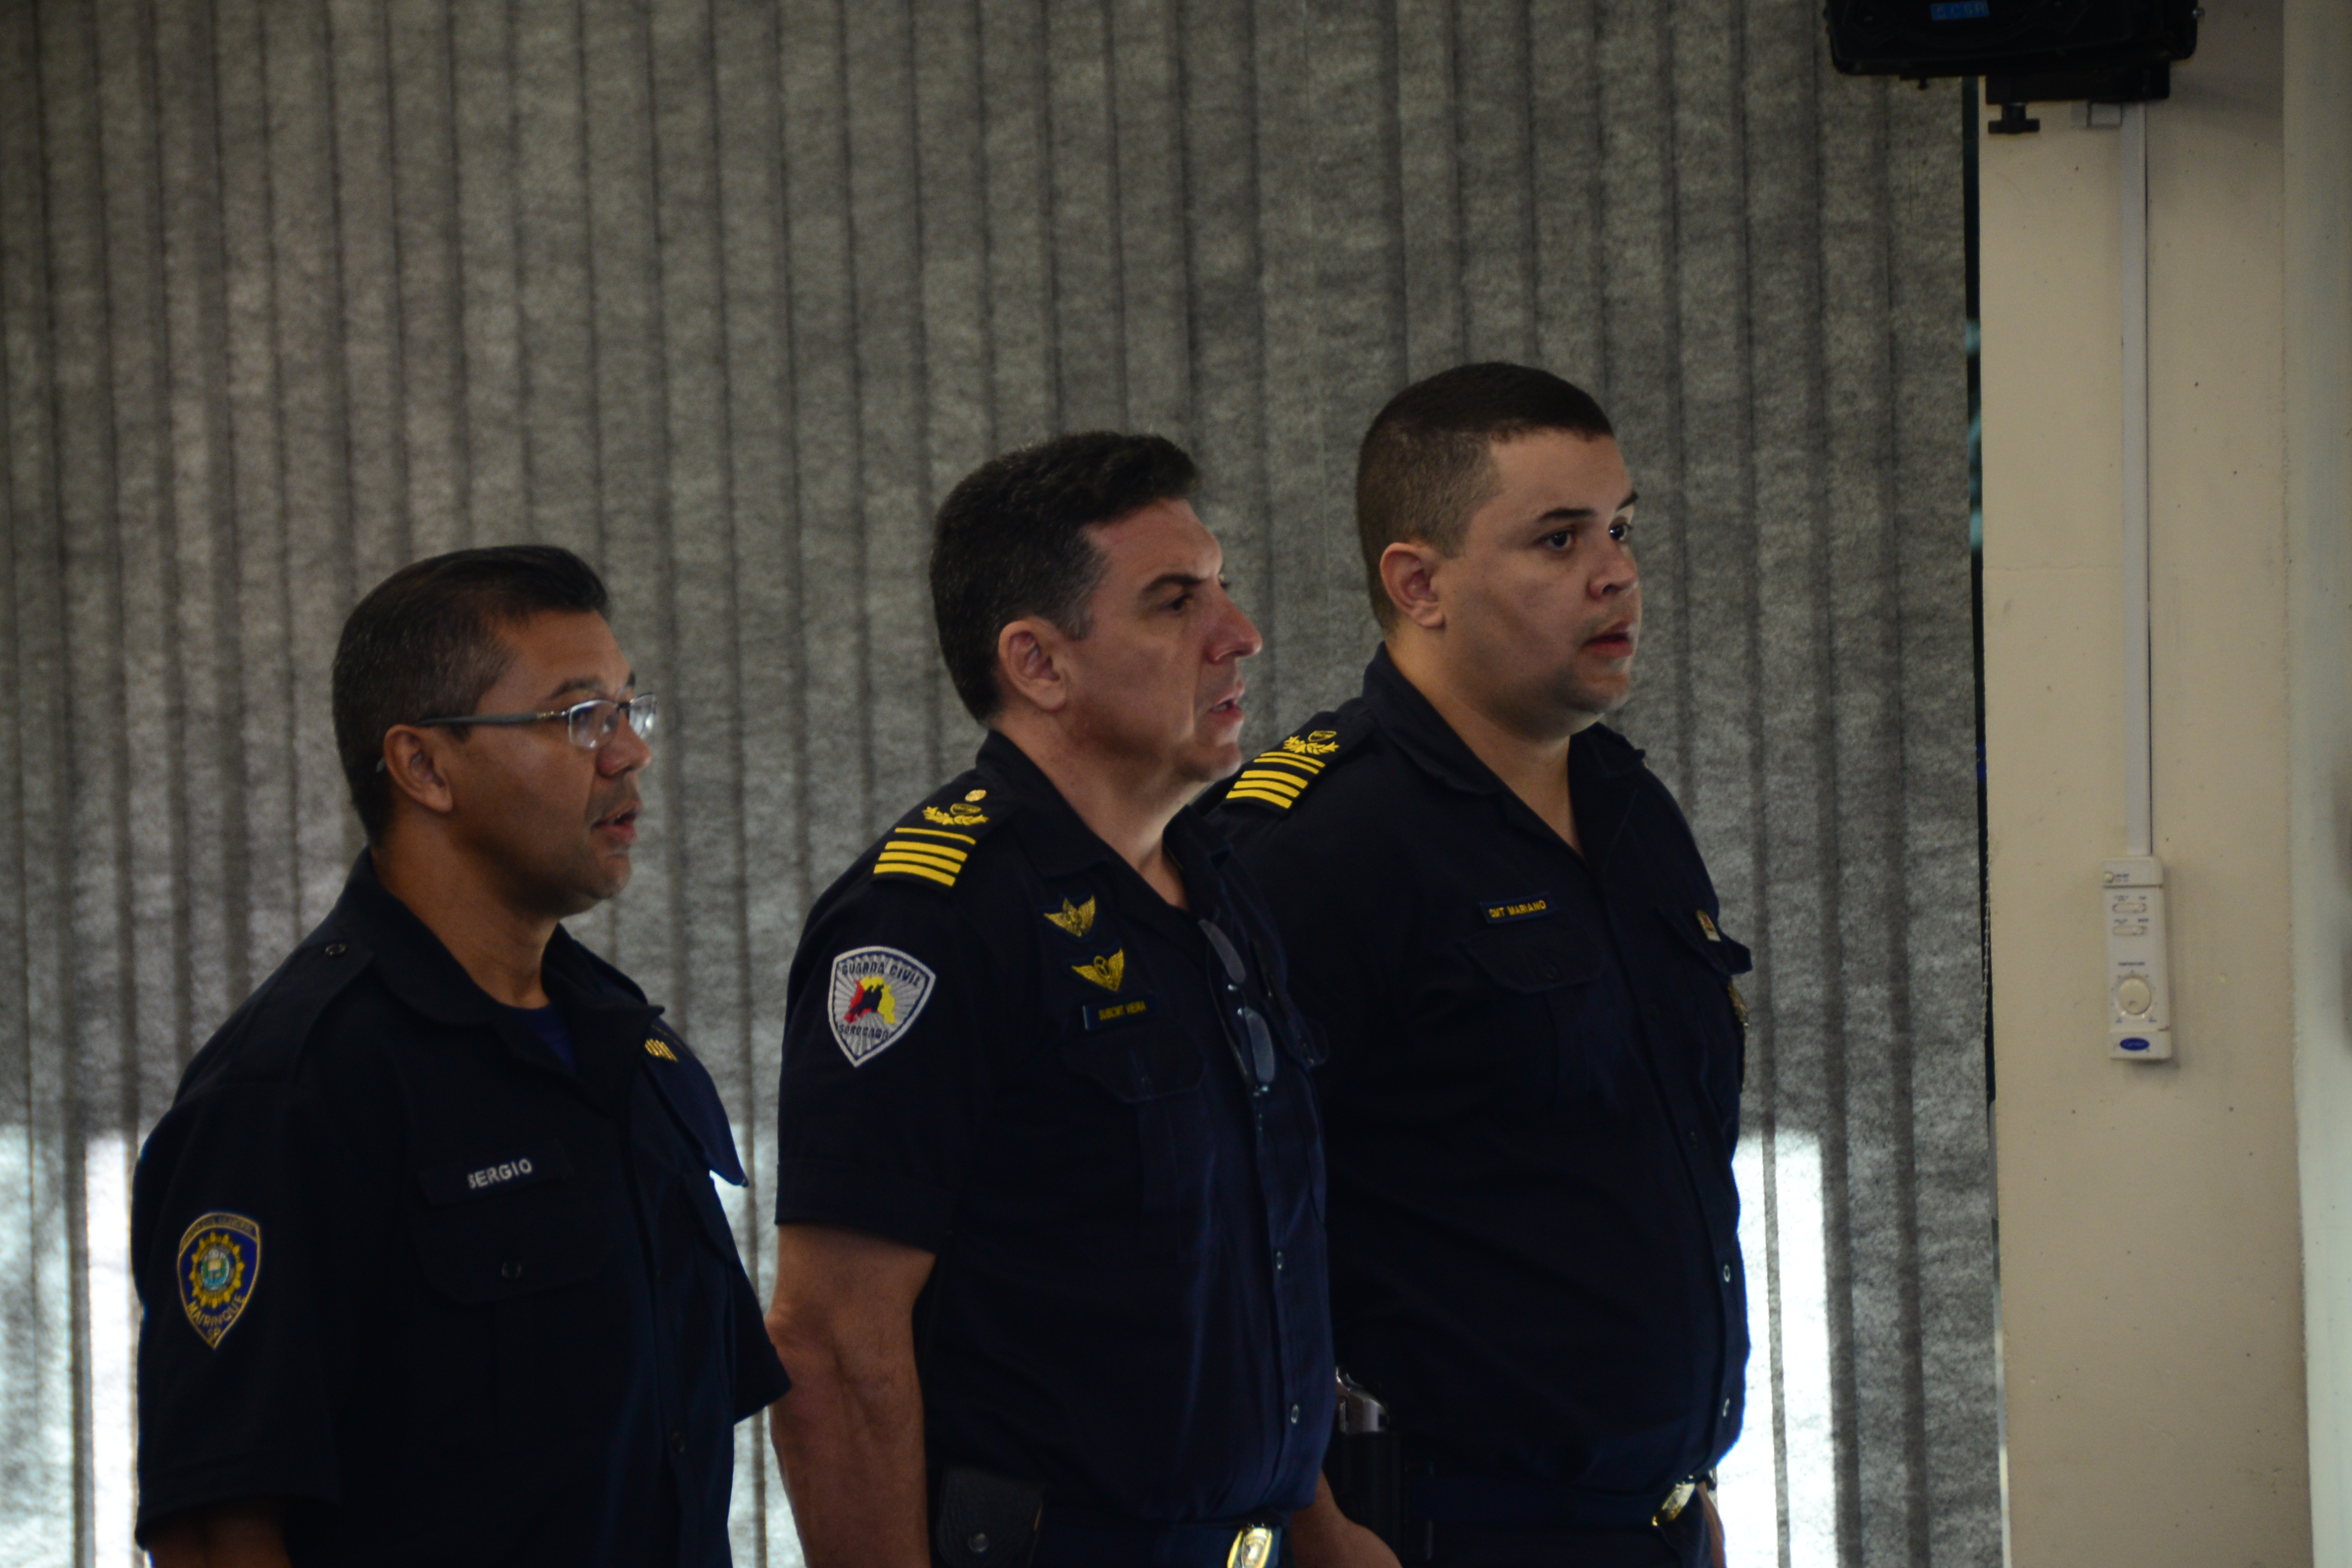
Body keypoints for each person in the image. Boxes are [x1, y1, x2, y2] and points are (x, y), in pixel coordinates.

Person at [764, 433, 1373, 1568]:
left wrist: (1323, 1531)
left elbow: (1249, 1275)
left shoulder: (1216, 883)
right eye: (1176, 602)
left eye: (1223, 587)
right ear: (1039, 663)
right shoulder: (927, 920)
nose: (1240, 633)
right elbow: (833, 1343)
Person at [132, 546, 789, 1566]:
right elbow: (219, 1531)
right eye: (581, 717)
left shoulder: (624, 1044)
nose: (629, 754)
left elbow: (671, 1445)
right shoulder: (293, 1090)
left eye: (630, 710)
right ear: (424, 767)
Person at [1212, 363, 1747, 1568]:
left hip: (1651, 1522)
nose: (1616, 574)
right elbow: (1225, 1235)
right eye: (1559, 539)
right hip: (1443, 1529)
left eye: (1620, 529)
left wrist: (1680, 1489)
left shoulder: (1627, 806)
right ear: (1420, 584)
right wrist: (1315, 1528)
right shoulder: (1313, 849)